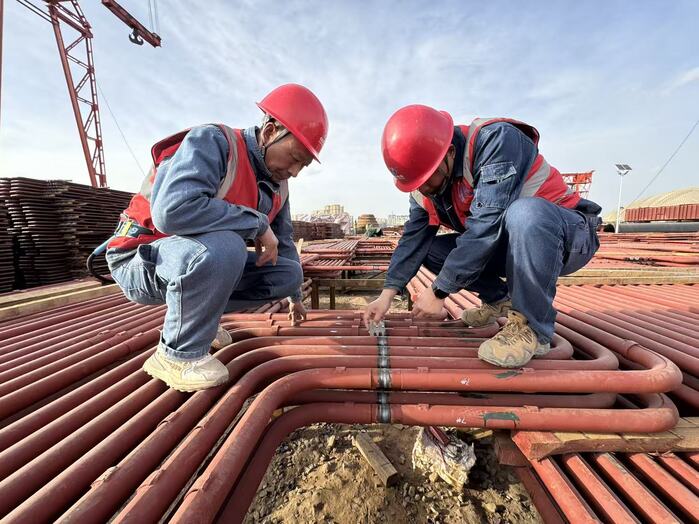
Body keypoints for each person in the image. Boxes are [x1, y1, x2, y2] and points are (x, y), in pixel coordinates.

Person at [106, 84, 328, 392]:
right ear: (269, 131)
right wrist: (256, 223)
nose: (295, 171)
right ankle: (175, 355)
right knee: (228, 246)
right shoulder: (214, 142)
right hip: (139, 258)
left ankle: (201, 321)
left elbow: (284, 242)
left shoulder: (279, 186)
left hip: (188, 258)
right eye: (294, 157)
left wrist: (295, 298)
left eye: (303, 165)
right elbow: (171, 212)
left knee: (288, 274)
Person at [364, 105, 601, 368]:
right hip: (512, 242)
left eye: (428, 179)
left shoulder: (495, 140)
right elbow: (412, 242)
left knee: (525, 213)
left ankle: (531, 328)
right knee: (430, 249)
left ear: (449, 153)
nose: (424, 188)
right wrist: (386, 295)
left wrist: (439, 291)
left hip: (567, 237)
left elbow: (486, 225)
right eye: (417, 183)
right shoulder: (424, 187)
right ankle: (499, 300)